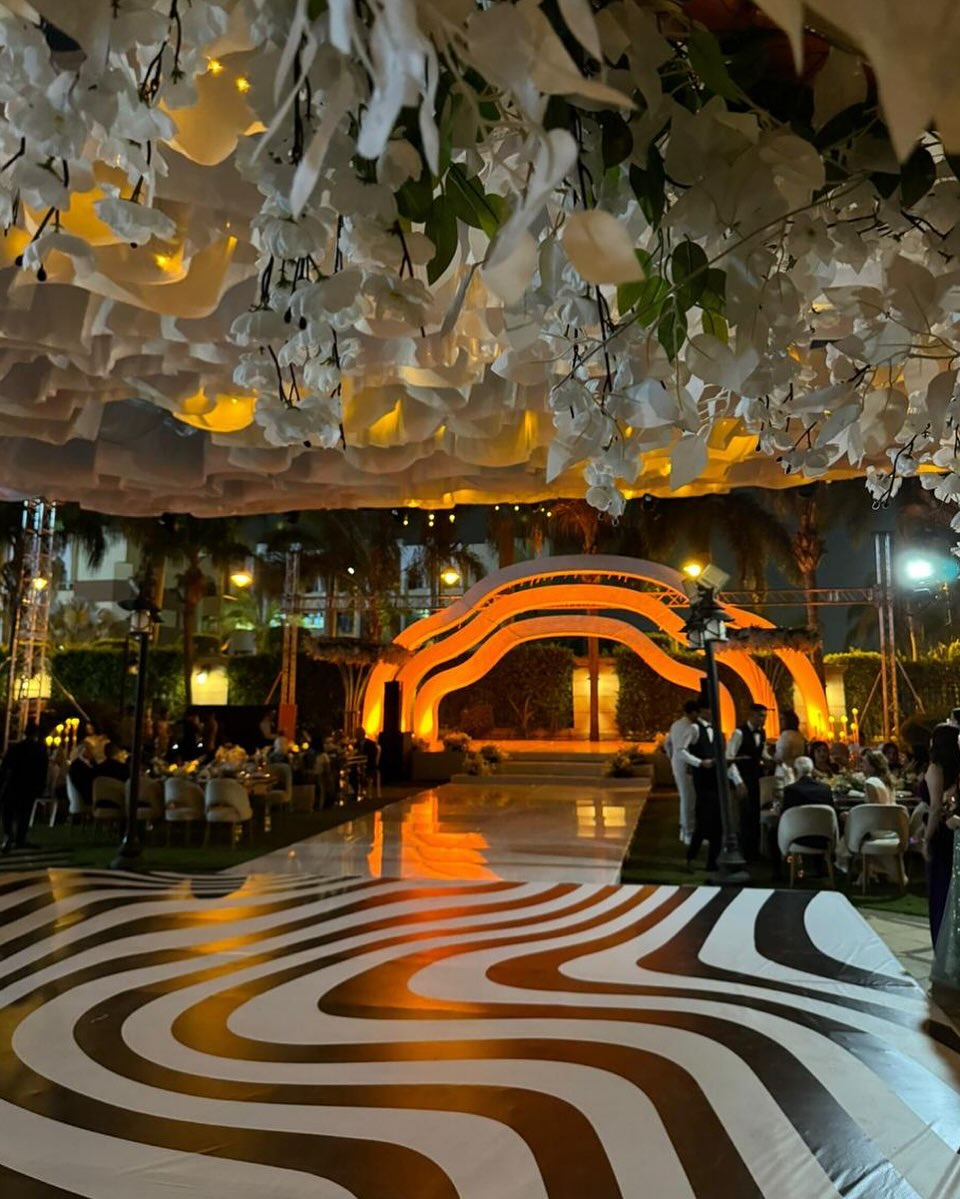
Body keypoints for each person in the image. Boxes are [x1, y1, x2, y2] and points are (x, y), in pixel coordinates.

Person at [923, 724, 959, 948]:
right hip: (953, 832)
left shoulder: (935, 768)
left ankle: (942, 943)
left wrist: (926, 839)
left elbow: (935, 807)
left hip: (941, 834)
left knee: (940, 891)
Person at [726, 702, 768, 860]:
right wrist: (738, 782)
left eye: (765, 716)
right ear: (751, 715)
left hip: (757, 778)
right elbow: (729, 758)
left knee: (755, 814)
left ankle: (755, 851)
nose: (763, 719)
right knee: (744, 816)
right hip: (742, 778)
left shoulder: (762, 732)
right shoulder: (739, 733)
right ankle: (744, 852)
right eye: (761, 716)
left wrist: (772, 759)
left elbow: (761, 753)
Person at [0, 721, 50, 852]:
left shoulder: (16, 748)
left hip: (14, 784)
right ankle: (20, 838)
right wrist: (41, 786)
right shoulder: (40, 750)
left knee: (8, 812)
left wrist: (3, 782)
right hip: (29, 786)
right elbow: (43, 770)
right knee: (24, 813)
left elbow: (5, 767)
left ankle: (8, 835)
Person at [682, 711, 722, 873]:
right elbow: (681, 750)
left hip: (716, 780)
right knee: (703, 823)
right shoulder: (694, 728)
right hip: (702, 781)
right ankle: (691, 858)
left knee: (718, 823)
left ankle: (712, 862)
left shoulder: (717, 729)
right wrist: (699, 762)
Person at [664, 699, 703, 844]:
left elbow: (667, 744)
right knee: (689, 798)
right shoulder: (691, 727)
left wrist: (672, 757)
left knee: (685, 797)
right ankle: (688, 833)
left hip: (677, 763)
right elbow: (683, 749)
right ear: (693, 713)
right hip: (687, 765)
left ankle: (684, 830)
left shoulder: (675, 725)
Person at [68, 740, 96, 810]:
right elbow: (82, 783)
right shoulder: (76, 765)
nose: (92, 752)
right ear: (83, 750)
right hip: (85, 796)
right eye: (89, 749)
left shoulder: (91, 763)